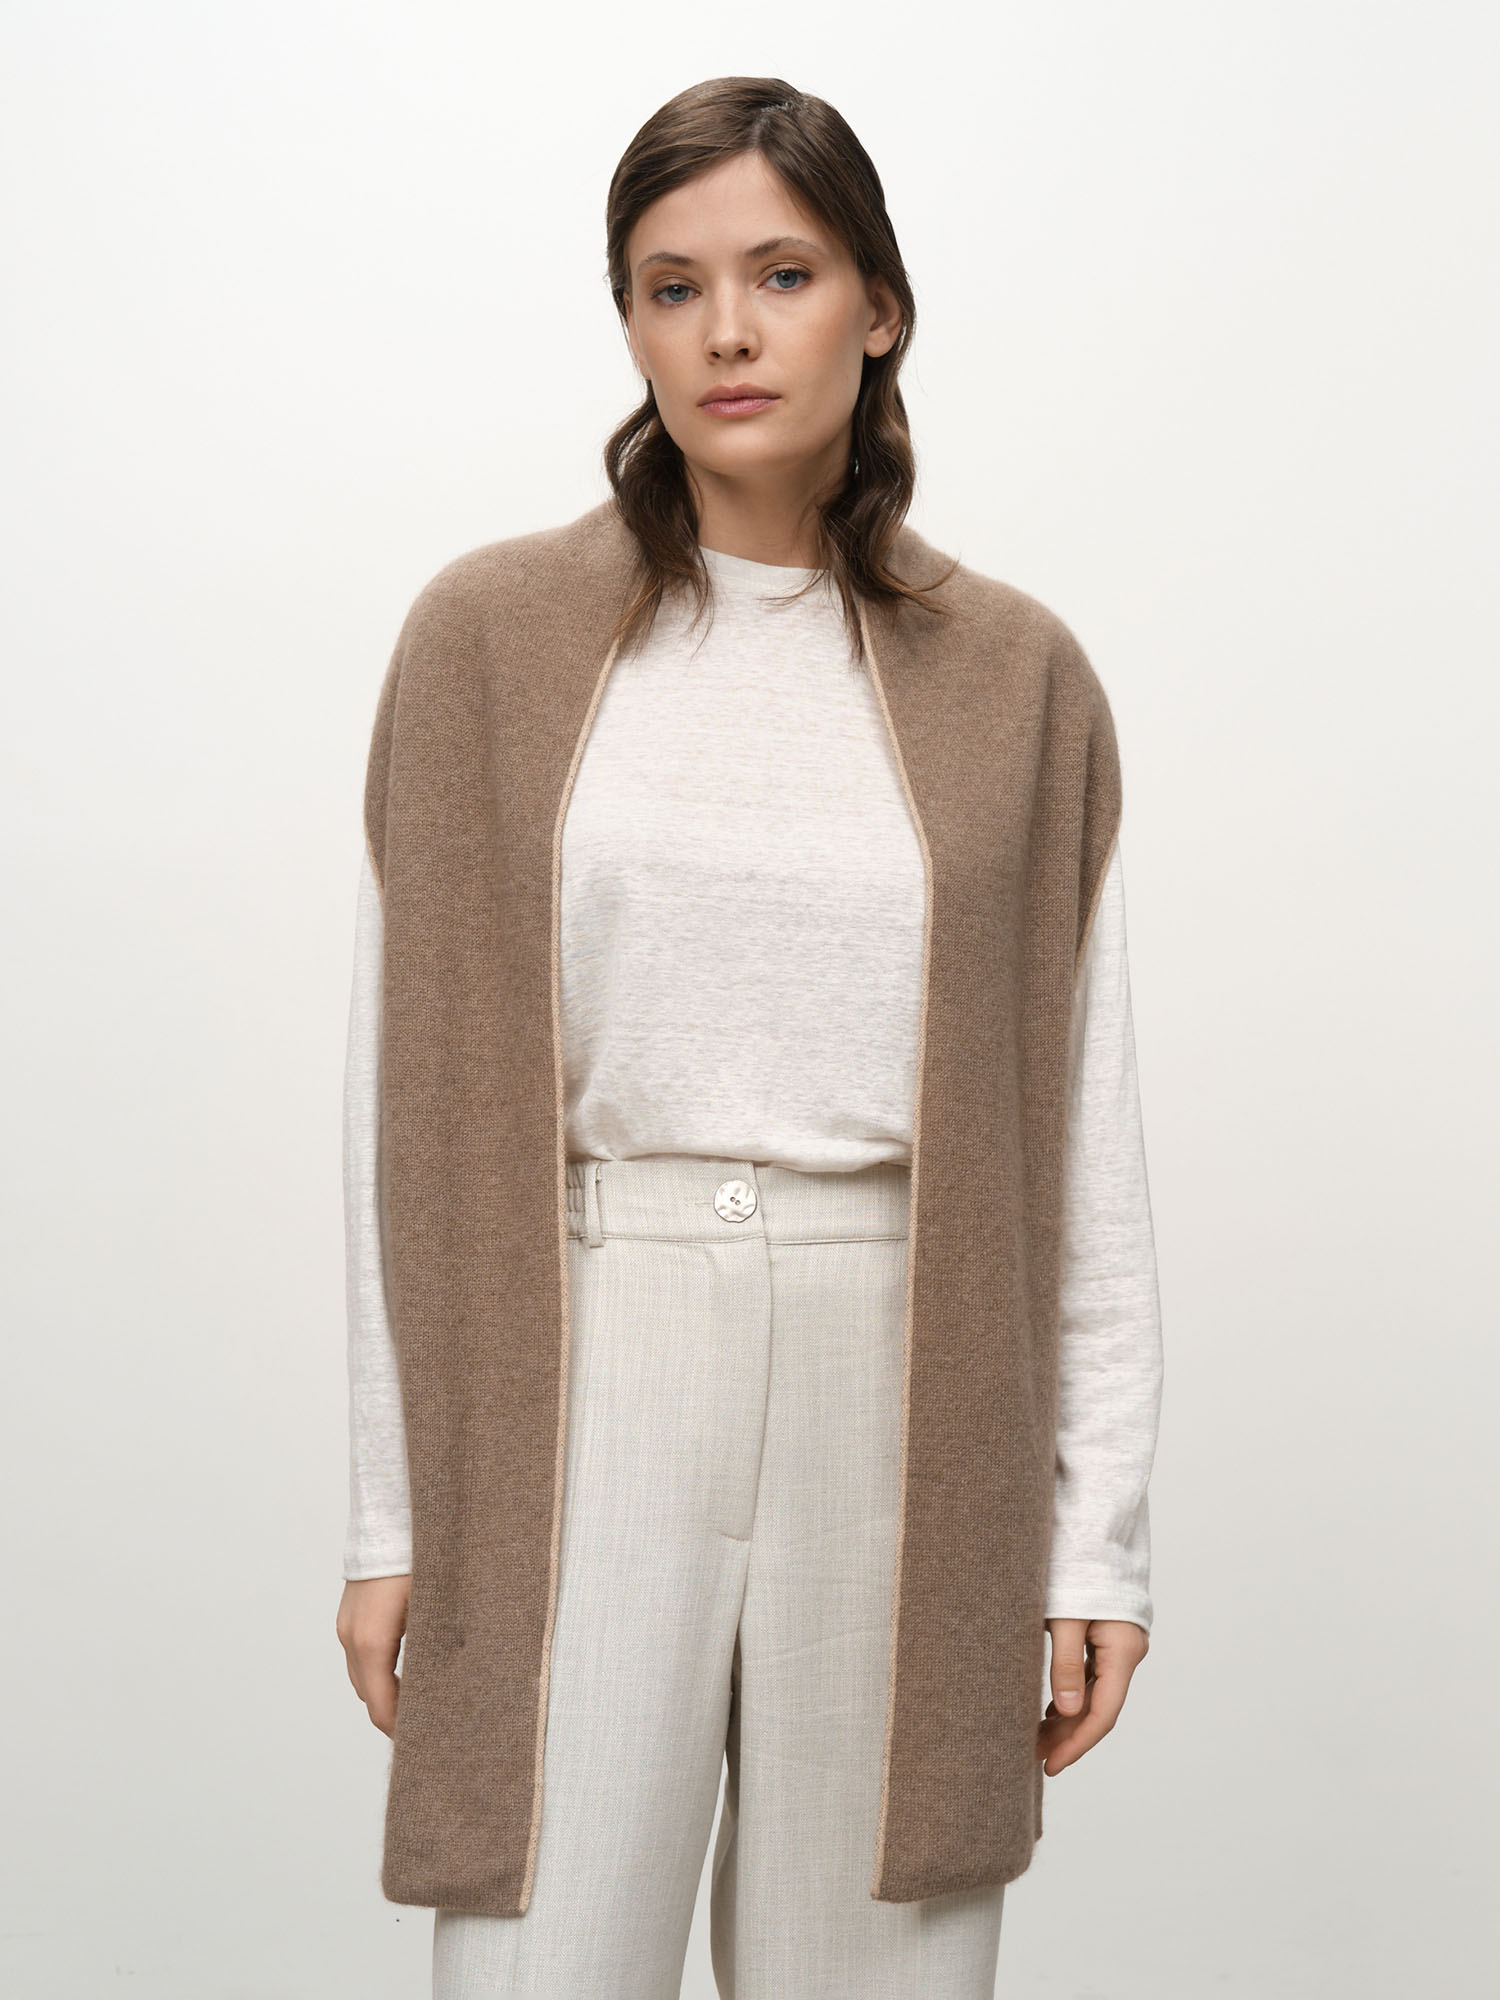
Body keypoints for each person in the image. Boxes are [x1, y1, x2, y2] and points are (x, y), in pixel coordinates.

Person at [335, 74, 1162, 2000]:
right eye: (671, 284)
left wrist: (1095, 1545)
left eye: (782, 274)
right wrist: (393, 1510)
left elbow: (1082, 1136)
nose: (726, 329)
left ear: (878, 306)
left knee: (880, 1958)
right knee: (536, 1950)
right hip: (583, 1350)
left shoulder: (1018, 678)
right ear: (629, 323)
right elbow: (407, 1114)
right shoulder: (487, 642)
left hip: (913, 1372)